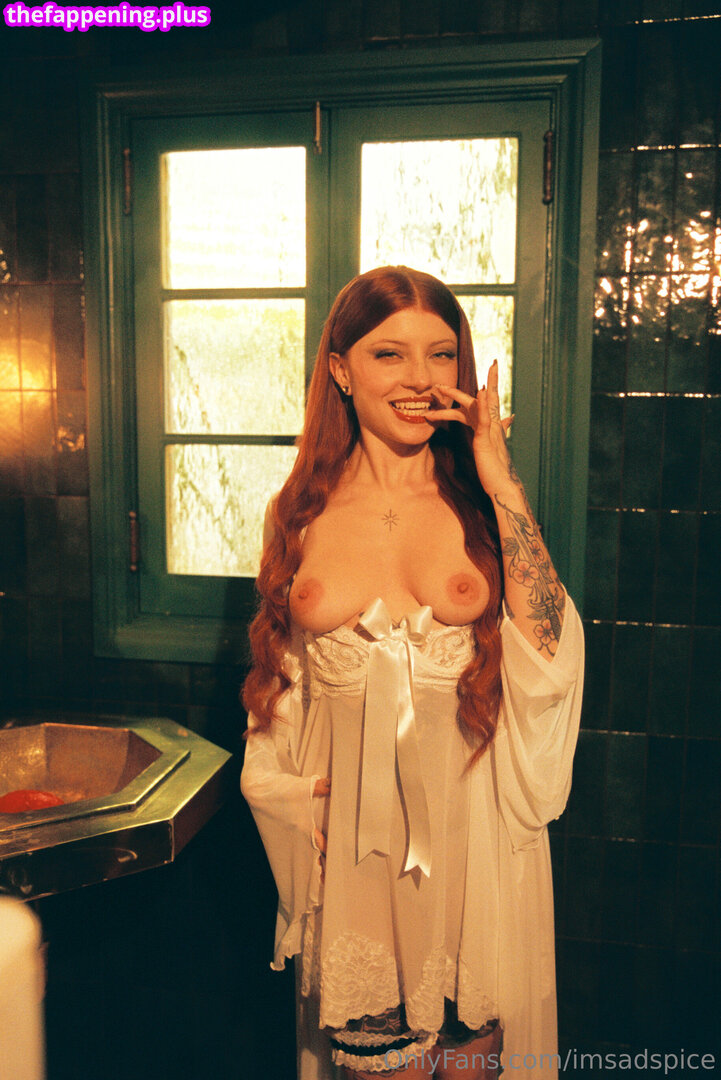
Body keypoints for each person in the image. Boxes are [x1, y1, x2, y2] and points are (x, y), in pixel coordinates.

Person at [241, 266, 584, 1080]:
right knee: (378, 1068)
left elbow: (548, 648)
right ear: (340, 369)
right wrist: (294, 798)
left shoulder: (481, 504)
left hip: (469, 844)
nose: (421, 378)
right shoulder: (296, 510)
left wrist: (501, 480)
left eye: (440, 354)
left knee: (468, 1066)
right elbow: (278, 687)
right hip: (352, 853)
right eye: (388, 354)